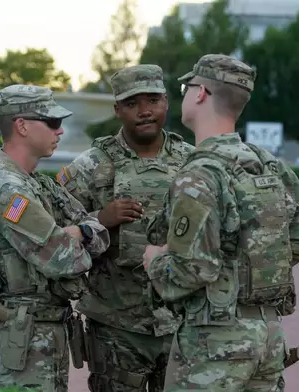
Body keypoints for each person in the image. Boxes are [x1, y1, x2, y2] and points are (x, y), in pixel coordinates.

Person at [142, 54, 299, 391]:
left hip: (214, 340)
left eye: (186, 87)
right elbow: (297, 245)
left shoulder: (200, 174)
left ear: (201, 93)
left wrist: (155, 261)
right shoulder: (272, 168)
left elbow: (194, 268)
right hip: (268, 335)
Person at [56, 64, 193, 392]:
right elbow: (53, 236)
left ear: (167, 102)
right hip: (116, 325)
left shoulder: (194, 162)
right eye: (132, 104)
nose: (145, 112)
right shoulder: (91, 165)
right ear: (117, 110)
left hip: (182, 320)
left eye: (153, 100)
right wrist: (99, 220)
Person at [0, 84, 110, 392]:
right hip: (21, 339)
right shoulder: (7, 191)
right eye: (53, 122)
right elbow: (63, 260)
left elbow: (98, 233)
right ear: (22, 126)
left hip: (43, 333)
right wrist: (77, 236)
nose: (60, 131)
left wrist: (79, 232)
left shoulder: (39, 185)